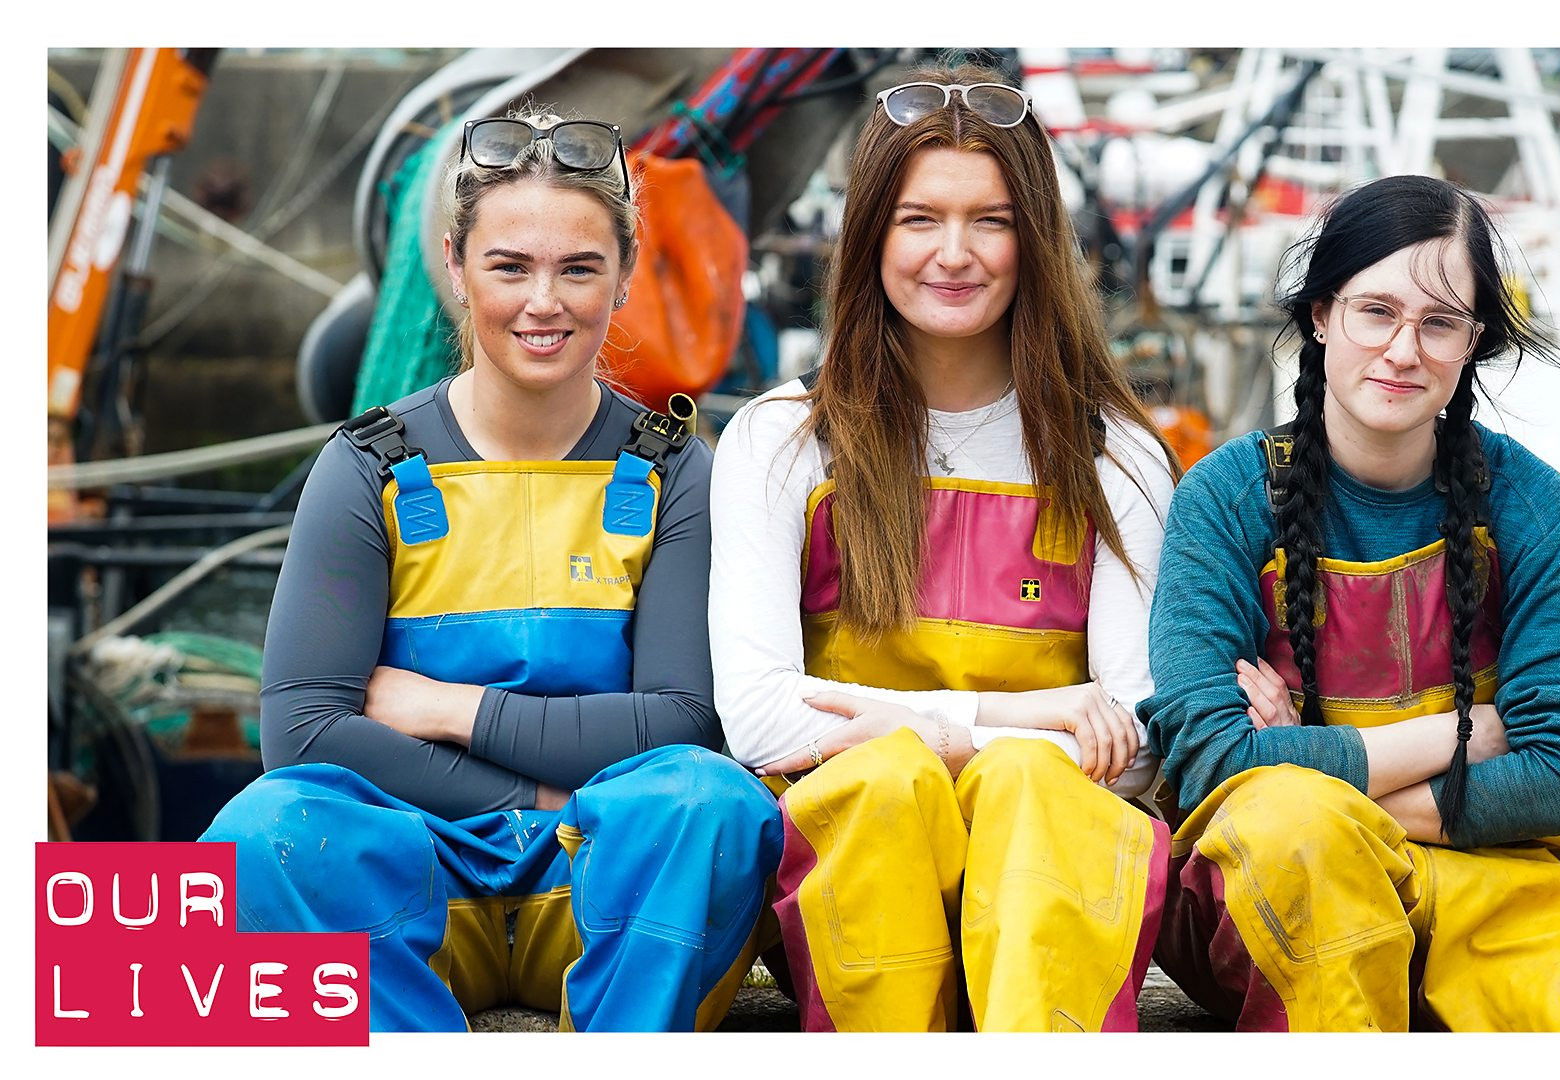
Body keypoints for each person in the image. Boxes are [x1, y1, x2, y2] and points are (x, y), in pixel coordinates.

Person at [1140, 174, 1560, 1032]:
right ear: (1322, 315)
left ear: (1473, 342)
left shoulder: (1530, 503)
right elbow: (1208, 763)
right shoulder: (1226, 497)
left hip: (1493, 885)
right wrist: (1469, 732)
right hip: (1272, 896)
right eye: (1376, 312)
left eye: (1439, 323)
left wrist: (1293, 756)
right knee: (1295, 822)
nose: (1404, 351)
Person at [201, 109, 782, 1032]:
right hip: (418, 888)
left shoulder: (675, 471)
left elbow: (681, 721)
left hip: (594, 885)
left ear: (626, 274)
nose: (543, 302)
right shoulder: (366, 467)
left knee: (712, 804)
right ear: (455, 264)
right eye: (510, 266)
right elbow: (302, 735)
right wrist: (537, 794)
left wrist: (448, 709)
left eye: (579, 268)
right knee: (263, 829)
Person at [709, 65, 1181, 1032]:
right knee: (890, 780)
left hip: (1053, 886)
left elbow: (1136, 743)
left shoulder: (1118, 456)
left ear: (1035, 238)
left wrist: (958, 741)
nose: (954, 254)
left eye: (991, 221)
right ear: (870, 235)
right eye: (919, 219)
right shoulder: (781, 440)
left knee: (1025, 781)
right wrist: (1015, 717)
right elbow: (757, 721)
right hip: (860, 887)